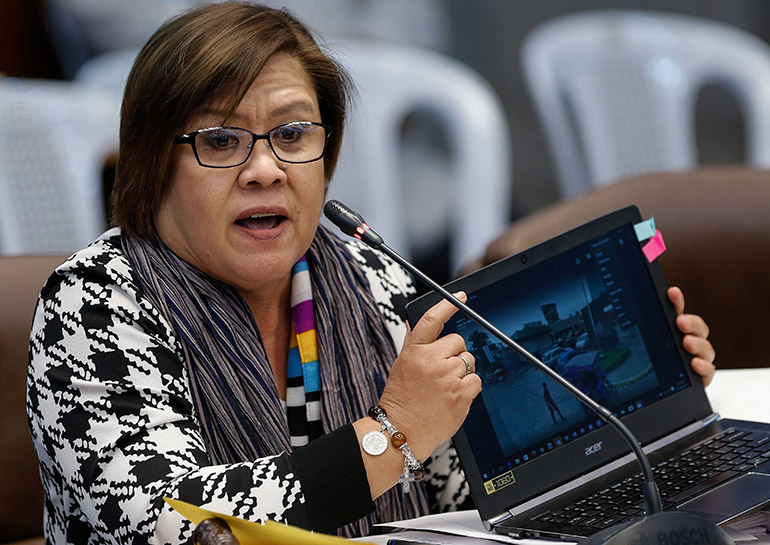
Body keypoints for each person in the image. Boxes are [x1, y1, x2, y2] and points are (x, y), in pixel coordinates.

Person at [26, 3, 716, 544]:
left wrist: (640, 405)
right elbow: (175, 524)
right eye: (221, 140)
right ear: (153, 162)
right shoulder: (92, 302)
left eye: (293, 134)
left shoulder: (367, 278)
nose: (265, 168)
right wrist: (391, 434)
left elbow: (463, 497)